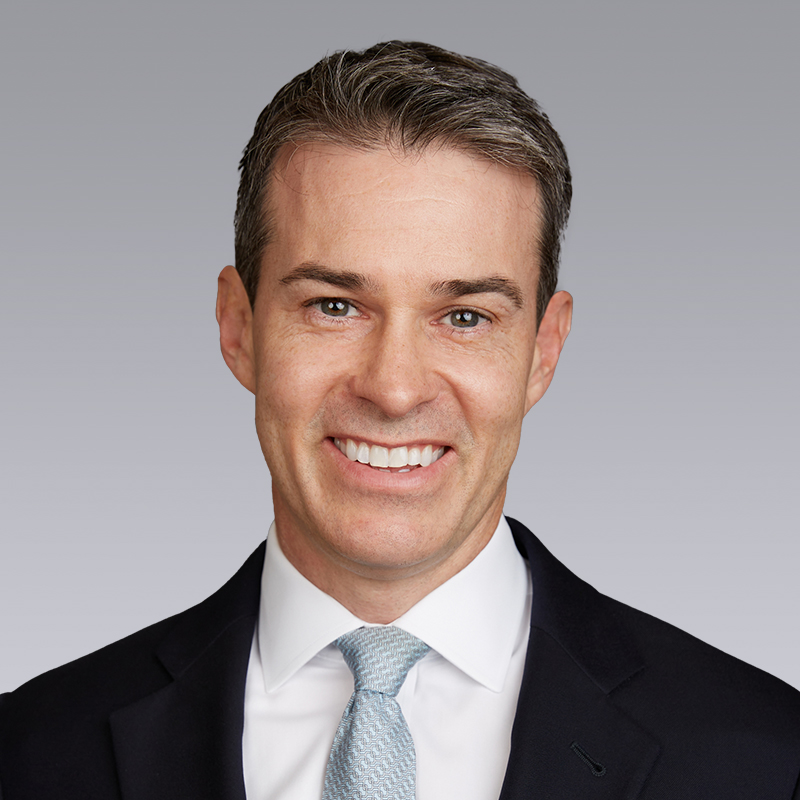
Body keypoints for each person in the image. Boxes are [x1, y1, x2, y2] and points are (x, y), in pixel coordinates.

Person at [1, 40, 798, 800]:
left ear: (543, 351)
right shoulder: (30, 753)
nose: (393, 388)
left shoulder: (767, 758)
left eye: (465, 317)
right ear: (238, 328)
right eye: (334, 306)